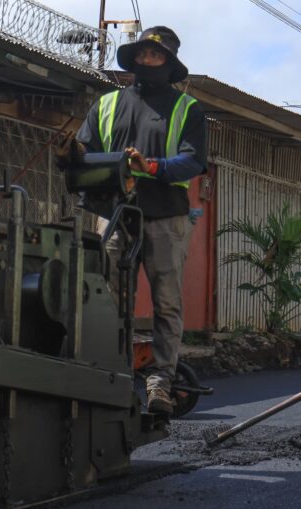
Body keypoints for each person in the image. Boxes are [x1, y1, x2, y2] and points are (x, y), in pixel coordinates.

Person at [64, 26, 207, 416]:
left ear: (169, 63)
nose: (147, 61)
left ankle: (160, 383)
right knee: (108, 301)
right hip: (113, 216)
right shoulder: (107, 104)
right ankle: (113, 377)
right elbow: (86, 151)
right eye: (142, 55)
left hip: (165, 216)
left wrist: (152, 165)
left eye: (155, 57)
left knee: (166, 303)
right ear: (134, 60)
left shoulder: (186, 109)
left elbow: (193, 161)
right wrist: (73, 153)